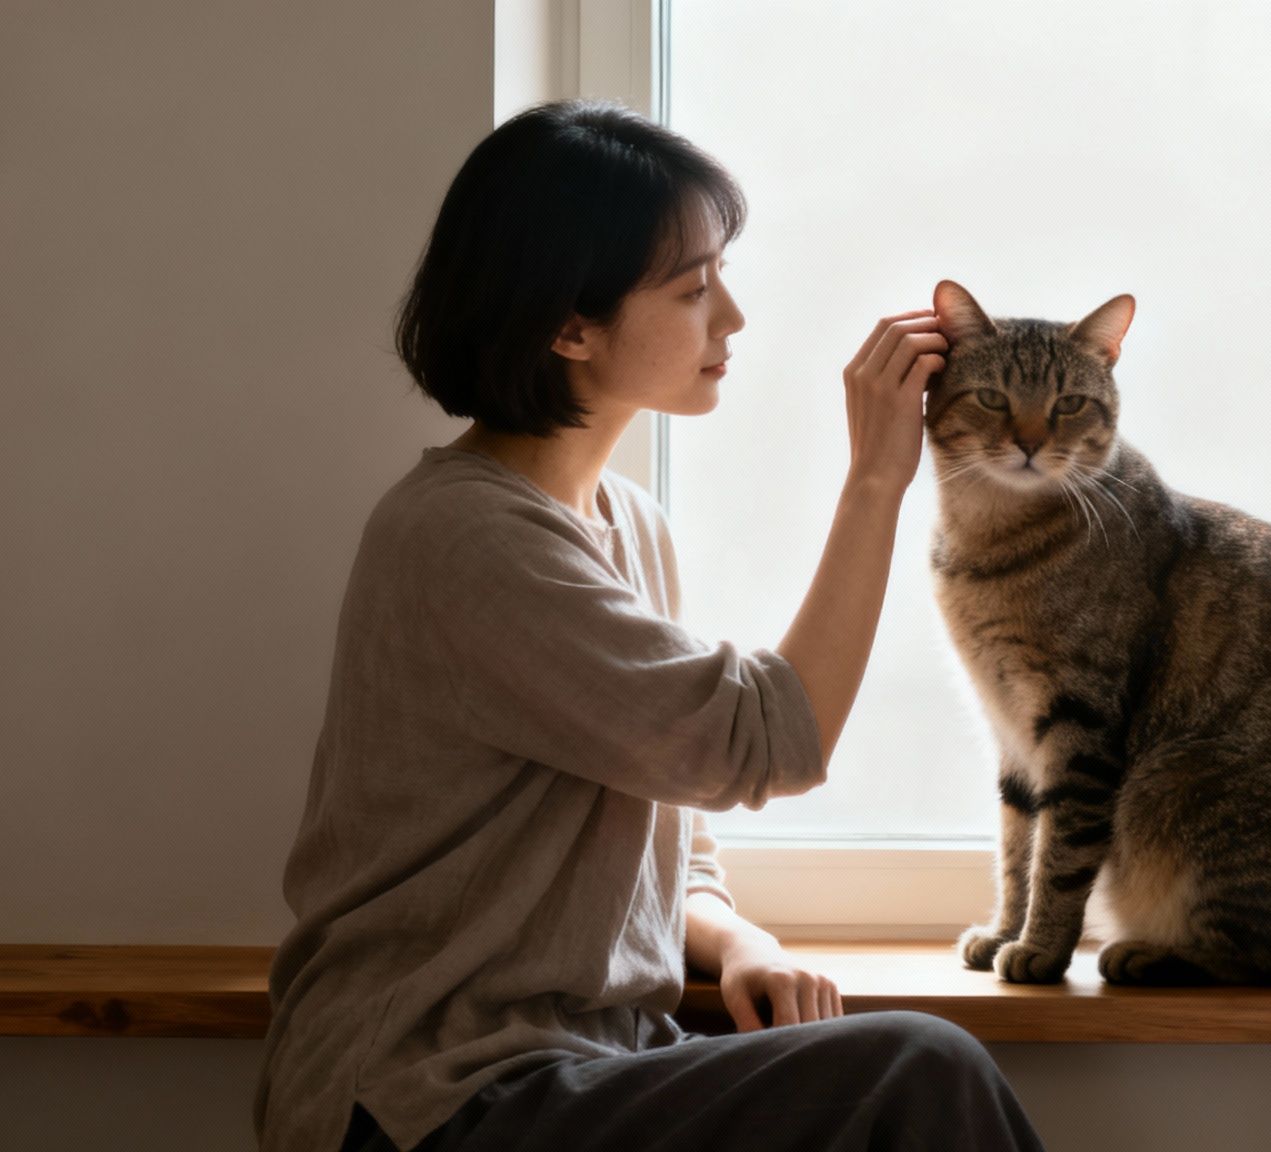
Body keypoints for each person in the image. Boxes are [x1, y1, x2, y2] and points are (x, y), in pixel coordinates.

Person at [251, 98, 1045, 1152]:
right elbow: (766, 741)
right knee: (917, 1068)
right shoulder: (464, 540)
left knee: (906, 1070)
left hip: (587, 1068)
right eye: (693, 288)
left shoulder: (626, 525)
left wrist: (735, 940)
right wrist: (874, 481)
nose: (733, 320)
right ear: (569, 326)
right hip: (429, 1101)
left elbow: (669, 822)